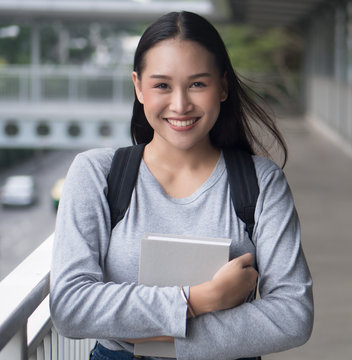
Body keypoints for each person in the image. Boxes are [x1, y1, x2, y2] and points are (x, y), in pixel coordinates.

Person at [49, 10, 313, 360]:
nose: (180, 104)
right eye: (162, 85)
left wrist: (151, 336)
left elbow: (293, 314)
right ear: (138, 87)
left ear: (222, 87)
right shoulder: (96, 174)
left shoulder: (261, 182)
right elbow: (70, 306)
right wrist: (200, 299)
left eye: (197, 84)